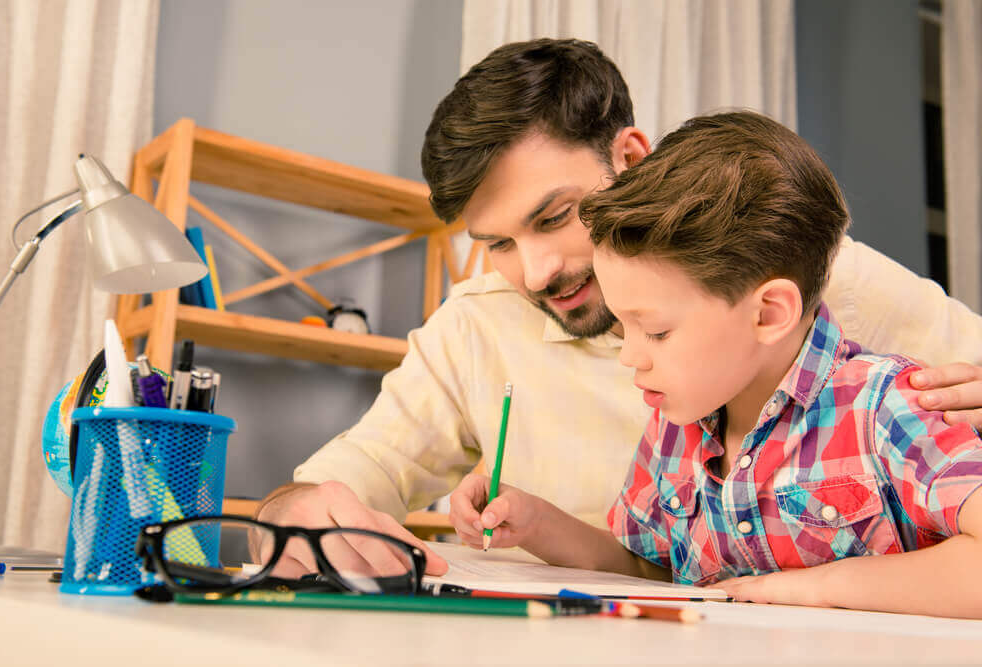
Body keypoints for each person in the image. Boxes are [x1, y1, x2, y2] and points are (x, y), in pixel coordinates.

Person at [255, 39, 982, 577]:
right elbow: (351, 469)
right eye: (497, 243)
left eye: (554, 217)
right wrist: (292, 509)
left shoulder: (808, 271)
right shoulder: (474, 327)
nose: (536, 272)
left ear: (630, 160)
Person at [454, 110, 982, 618]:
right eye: (625, 326)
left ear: (769, 313)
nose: (631, 356)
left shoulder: (887, 408)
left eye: (656, 331)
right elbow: (649, 569)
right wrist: (537, 524)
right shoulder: (674, 427)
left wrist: (816, 588)